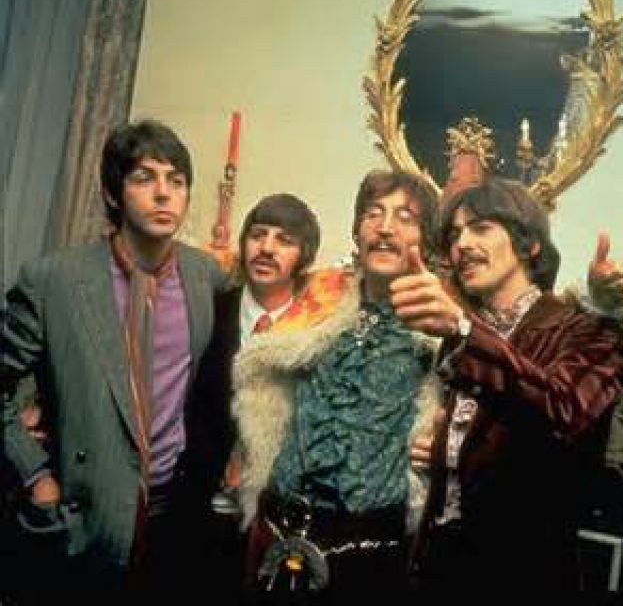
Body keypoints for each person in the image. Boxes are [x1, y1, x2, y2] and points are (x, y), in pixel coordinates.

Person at [1, 119, 228, 602]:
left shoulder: (206, 276)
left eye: (176, 181)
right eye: (144, 178)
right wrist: (36, 475)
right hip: (84, 513)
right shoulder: (54, 281)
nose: (164, 194)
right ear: (112, 192)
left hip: (173, 511)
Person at [390, 177, 623, 603]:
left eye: (481, 227)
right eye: (455, 235)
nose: (462, 244)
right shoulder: (459, 335)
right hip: (439, 571)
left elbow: (565, 410)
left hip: (523, 577)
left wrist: (465, 332)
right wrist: (444, 448)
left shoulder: (587, 330)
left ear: (529, 245)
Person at [232, 170, 442, 603]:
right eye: (373, 214)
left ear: (427, 240)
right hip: (275, 529)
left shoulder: (439, 325)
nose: (385, 228)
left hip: (368, 549)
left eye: (405, 218)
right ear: (357, 231)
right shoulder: (316, 298)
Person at [200, 193, 322, 597]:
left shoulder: (315, 333)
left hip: (272, 526)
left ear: (304, 256)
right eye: (258, 234)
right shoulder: (207, 311)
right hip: (198, 510)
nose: (266, 248)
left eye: (284, 240)